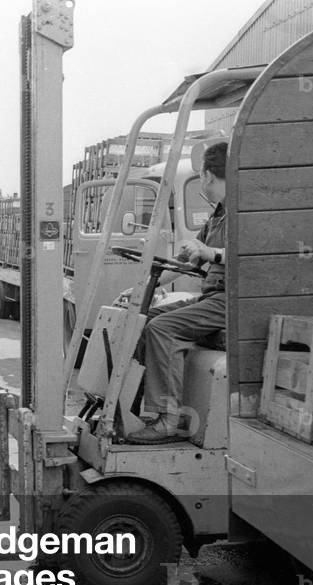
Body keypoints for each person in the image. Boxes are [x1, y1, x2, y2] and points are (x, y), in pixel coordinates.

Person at [127, 142, 229, 444]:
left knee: (162, 329)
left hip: (231, 301)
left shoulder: (244, 211)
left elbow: (247, 256)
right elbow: (185, 262)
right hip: (213, 299)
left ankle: (169, 419)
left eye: (202, 177)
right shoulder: (217, 216)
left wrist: (211, 253)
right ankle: (142, 407)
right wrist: (142, 288)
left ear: (207, 176)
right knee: (144, 319)